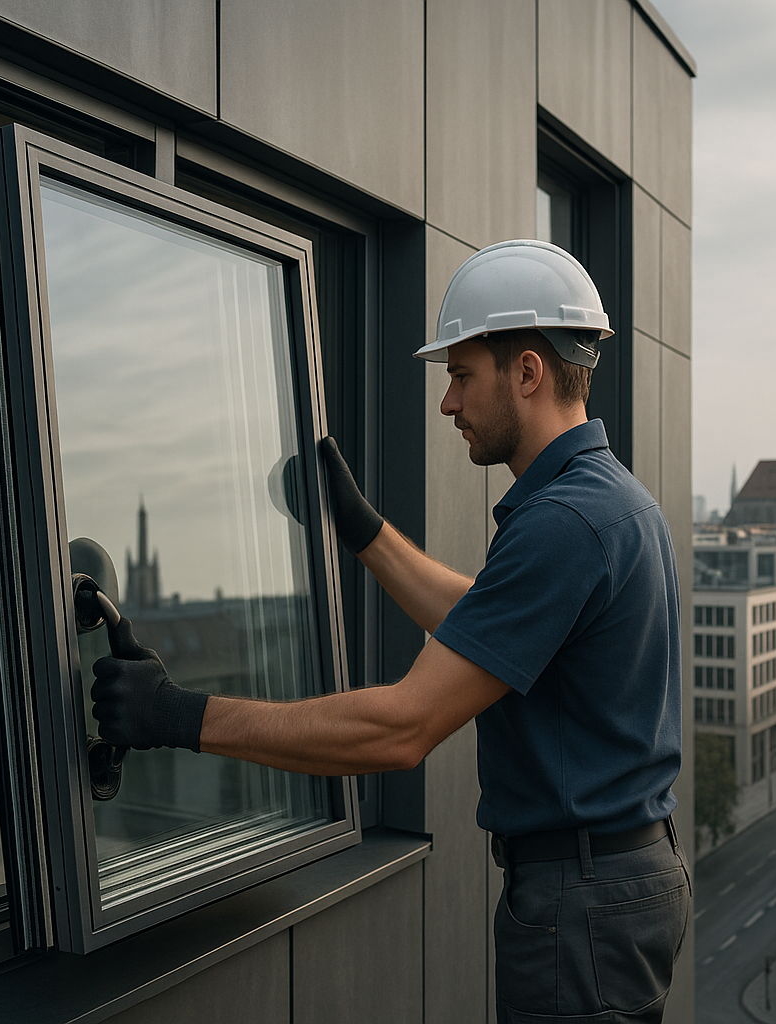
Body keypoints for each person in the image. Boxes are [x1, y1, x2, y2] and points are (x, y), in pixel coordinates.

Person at [91, 239, 689, 1023]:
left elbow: (401, 728)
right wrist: (364, 530)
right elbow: (488, 626)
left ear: (529, 372)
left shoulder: (564, 523)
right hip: (620, 881)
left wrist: (175, 714)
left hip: (582, 903)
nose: (448, 403)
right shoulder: (612, 500)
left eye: (461, 375)